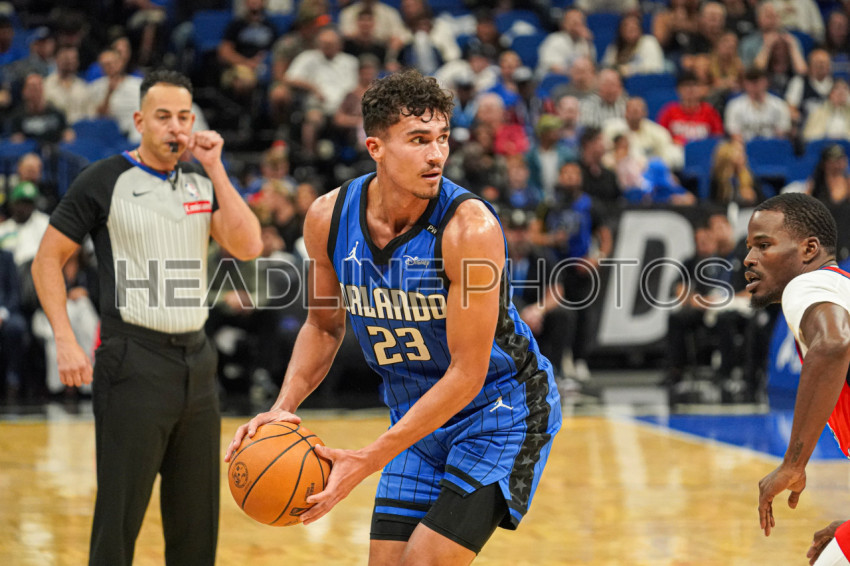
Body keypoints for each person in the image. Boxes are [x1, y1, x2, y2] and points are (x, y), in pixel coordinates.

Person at [225, 69, 562, 565]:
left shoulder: (470, 230)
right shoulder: (328, 218)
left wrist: (366, 459)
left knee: (424, 561)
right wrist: (283, 407)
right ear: (376, 147)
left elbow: (467, 374)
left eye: (443, 138)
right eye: (419, 139)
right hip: (416, 417)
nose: (437, 154)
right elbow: (323, 327)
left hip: (500, 413)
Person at [30, 69, 262, 566]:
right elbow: (47, 260)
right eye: (163, 116)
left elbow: (248, 245)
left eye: (184, 117)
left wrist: (216, 167)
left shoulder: (201, 178)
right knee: (118, 521)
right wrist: (66, 339)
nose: (175, 126)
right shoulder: (104, 179)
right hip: (132, 360)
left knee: (197, 524)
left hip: (197, 362)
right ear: (139, 121)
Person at [746, 193, 850, 564]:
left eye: (763, 245)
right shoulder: (839, 287)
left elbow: (834, 343)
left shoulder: (807, 285)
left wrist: (794, 463)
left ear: (809, 249)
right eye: (749, 247)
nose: (749, 258)